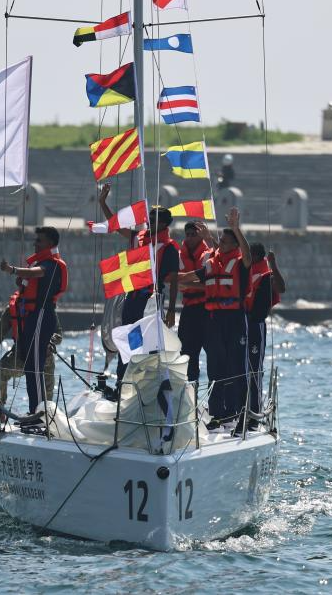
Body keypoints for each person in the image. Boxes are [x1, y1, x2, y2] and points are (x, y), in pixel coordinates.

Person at [97, 183, 180, 382]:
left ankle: (148, 382)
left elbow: (174, 280)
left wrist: (170, 310)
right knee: (128, 339)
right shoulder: (137, 238)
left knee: (149, 342)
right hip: (132, 298)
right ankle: (123, 380)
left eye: (155, 218)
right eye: (150, 217)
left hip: (152, 300)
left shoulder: (168, 248)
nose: (150, 220)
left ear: (164, 224)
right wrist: (102, 202)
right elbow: (115, 226)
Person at [179, 208, 252, 427]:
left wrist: (236, 228)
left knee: (236, 367)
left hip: (235, 319)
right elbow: (188, 277)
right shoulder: (212, 263)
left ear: (235, 245)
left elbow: (247, 254)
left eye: (226, 242)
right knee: (216, 367)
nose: (221, 244)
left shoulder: (240, 262)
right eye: (220, 241)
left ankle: (239, 411)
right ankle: (217, 413)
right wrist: (167, 278)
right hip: (214, 319)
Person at [0, 226, 68, 415]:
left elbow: (37, 273)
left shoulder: (52, 265)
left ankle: (39, 412)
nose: (35, 244)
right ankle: (34, 411)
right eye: (35, 240)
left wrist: (12, 270)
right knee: (30, 367)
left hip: (42, 318)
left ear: (50, 243)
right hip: (33, 318)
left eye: (39, 240)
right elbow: (31, 279)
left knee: (35, 367)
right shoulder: (43, 263)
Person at [0, 306, 63, 419]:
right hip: (29, 357)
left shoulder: (17, 306)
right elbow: (59, 336)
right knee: (0, 372)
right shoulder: (41, 304)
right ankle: (1, 414)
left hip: (34, 358)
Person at [240, 244, 286, 431]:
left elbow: (281, 289)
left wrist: (273, 264)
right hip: (239, 324)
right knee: (236, 368)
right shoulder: (242, 271)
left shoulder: (267, 275)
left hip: (255, 325)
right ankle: (237, 409)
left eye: (250, 254)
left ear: (258, 256)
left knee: (254, 370)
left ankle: (254, 413)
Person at [176, 221, 212, 384]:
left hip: (206, 308)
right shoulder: (179, 255)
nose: (190, 238)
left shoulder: (208, 254)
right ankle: (190, 388)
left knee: (212, 349)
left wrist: (185, 282)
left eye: (194, 234)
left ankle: (215, 390)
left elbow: (208, 282)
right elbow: (172, 280)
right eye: (188, 234)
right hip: (188, 308)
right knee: (186, 351)